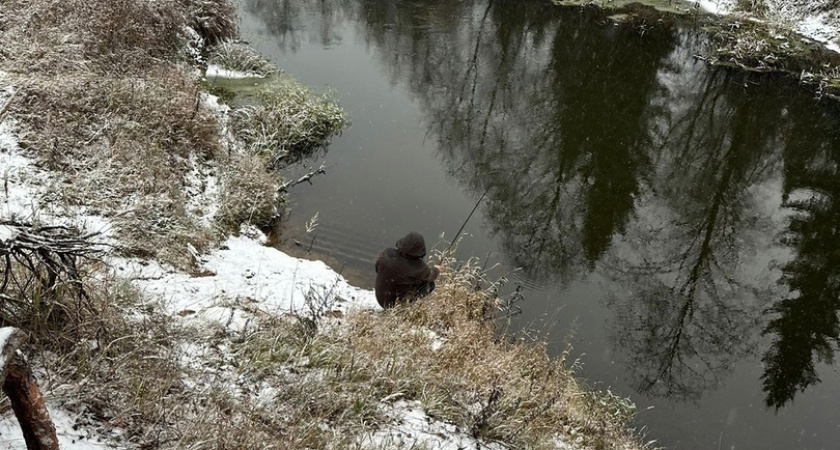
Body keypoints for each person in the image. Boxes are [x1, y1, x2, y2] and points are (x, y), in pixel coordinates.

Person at [374, 231, 442, 309]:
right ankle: (405, 307)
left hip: (380, 298)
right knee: (430, 285)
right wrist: (437, 269)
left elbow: (377, 268)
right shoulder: (420, 268)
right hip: (395, 305)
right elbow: (432, 276)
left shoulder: (387, 253)